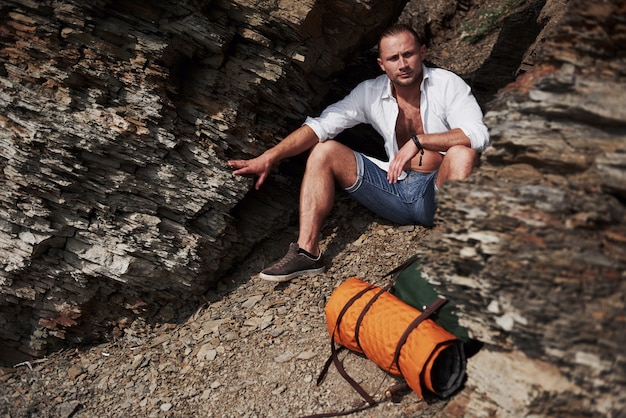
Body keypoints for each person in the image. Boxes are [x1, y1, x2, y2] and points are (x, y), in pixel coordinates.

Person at [228, 23, 489, 282]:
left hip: (436, 193)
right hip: (393, 188)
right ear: (381, 64)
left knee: (462, 153)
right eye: (393, 58)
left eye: (408, 54)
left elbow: (479, 134)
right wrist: (270, 156)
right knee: (324, 150)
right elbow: (321, 126)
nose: (402, 64)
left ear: (422, 52)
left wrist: (421, 141)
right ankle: (307, 252)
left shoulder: (447, 85)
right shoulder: (370, 92)